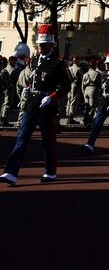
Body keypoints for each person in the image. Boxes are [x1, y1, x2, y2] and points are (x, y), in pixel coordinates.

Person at [1, 25, 70, 186]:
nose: (40, 47)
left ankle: (50, 171)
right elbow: (33, 79)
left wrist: (52, 97)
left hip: (47, 104)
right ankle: (11, 172)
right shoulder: (33, 61)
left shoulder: (57, 64)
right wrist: (27, 88)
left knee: (48, 140)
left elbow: (65, 86)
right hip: (32, 103)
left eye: (44, 45)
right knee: (22, 136)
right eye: (39, 44)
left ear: (51, 45)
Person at [83, 51, 109, 154]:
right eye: (106, 63)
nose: (107, 65)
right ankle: (90, 144)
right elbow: (101, 89)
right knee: (97, 123)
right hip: (103, 103)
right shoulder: (103, 75)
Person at [65, 56, 84, 125]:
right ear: (78, 60)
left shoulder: (69, 67)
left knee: (69, 100)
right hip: (75, 85)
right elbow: (82, 77)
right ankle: (71, 117)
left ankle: (68, 115)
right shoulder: (78, 69)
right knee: (74, 100)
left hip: (69, 85)